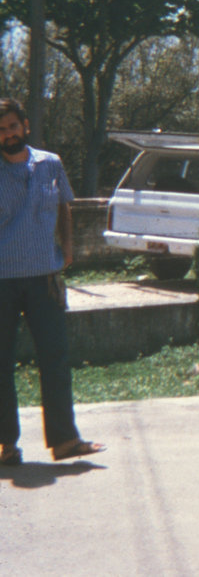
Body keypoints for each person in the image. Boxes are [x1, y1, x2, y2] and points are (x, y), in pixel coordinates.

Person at [0, 98, 105, 465]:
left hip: (44, 276)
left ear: (25, 126)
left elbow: (64, 206)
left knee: (55, 358)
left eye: (12, 126)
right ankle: (5, 445)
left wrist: (69, 248)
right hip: (2, 281)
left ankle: (64, 441)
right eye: (1, 129)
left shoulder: (50, 164)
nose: (8, 133)